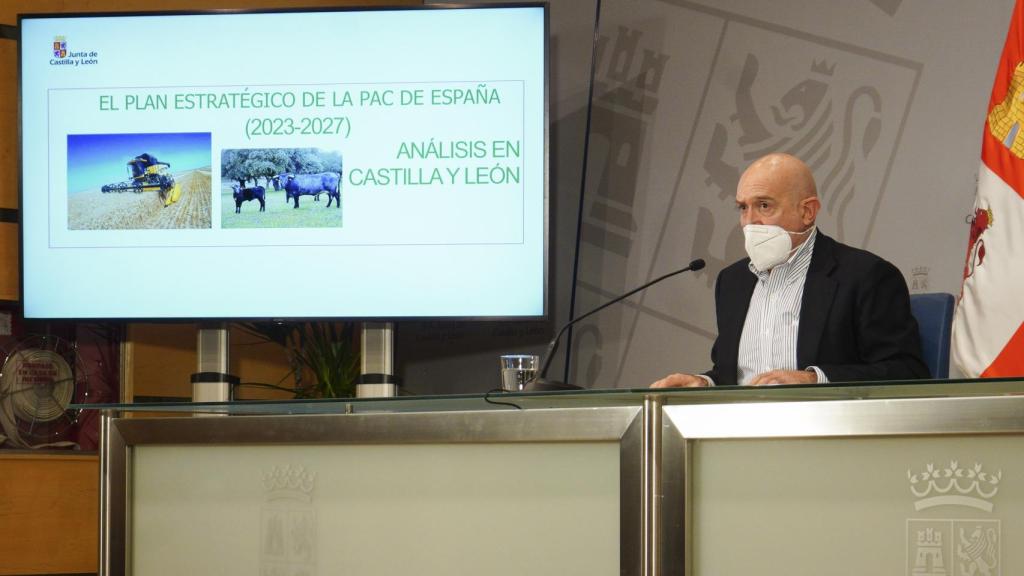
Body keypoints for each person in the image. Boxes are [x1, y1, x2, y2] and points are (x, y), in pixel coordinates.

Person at [652, 153, 928, 387]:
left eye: (763, 205)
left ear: (807, 212)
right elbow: (737, 375)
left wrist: (813, 380)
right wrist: (705, 382)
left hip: (826, 436)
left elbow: (906, 372)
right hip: (742, 435)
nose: (750, 222)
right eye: (743, 208)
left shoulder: (865, 276)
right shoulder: (732, 282)